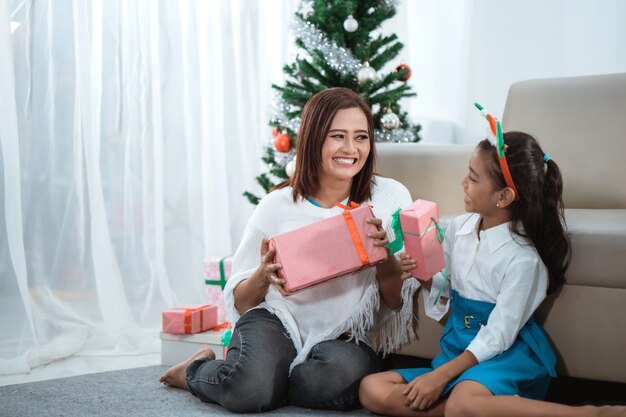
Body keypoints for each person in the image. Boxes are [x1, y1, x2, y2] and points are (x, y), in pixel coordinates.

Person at [160, 87, 418, 412]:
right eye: (337, 136)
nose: (351, 149)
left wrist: (384, 261)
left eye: (361, 137)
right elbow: (240, 301)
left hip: (347, 333)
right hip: (276, 320)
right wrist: (263, 275)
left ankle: (270, 378)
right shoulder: (276, 206)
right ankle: (196, 371)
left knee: (330, 381)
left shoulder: (389, 198)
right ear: (313, 139)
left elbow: (395, 301)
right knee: (249, 392)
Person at [359, 119, 626, 417]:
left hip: (504, 354)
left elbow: (499, 334)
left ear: (504, 197)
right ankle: (479, 411)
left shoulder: (523, 259)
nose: (463, 183)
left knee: (462, 401)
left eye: (473, 179)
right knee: (372, 389)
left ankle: (591, 414)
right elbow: (444, 290)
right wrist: (422, 273)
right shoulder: (458, 227)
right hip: (460, 346)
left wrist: (441, 375)